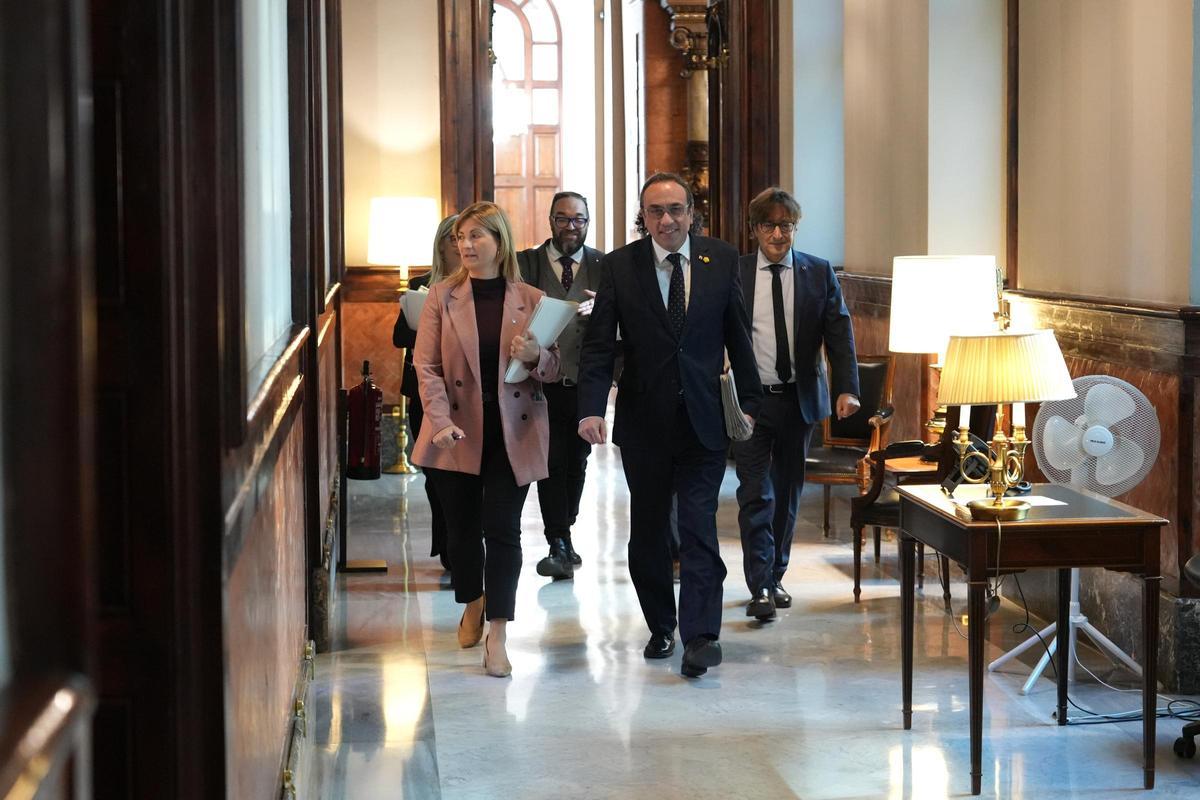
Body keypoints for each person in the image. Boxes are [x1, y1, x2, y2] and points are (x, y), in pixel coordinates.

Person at [577, 172, 762, 679]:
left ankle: (701, 635)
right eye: (656, 211)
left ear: (691, 212)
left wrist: (748, 402)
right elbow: (598, 347)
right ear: (644, 217)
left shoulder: (720, 259)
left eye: (675, 209)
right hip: (643, 422)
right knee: (652, 531)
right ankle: (661, 623)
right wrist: (591, 408)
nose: (667, 220)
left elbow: (738, 335)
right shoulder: (619, 266)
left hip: (704, 421)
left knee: (700, 527)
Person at [411, 201, 562, 678]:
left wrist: (538, 355)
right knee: (461, 534)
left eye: (477, 236)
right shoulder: (441, 296)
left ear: (500, 241)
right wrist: (438, 421)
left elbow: (554, 370)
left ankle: (498, 632)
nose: (466, 245)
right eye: (461, 237)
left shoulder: (532, 297)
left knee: (503, 531)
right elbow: (427, 367)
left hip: (512, 433)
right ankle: (473, 600)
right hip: (454, 432)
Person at [733, 187, 860, 622]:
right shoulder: (736, 273)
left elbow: (839, 334)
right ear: (754, 230)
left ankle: (775, 575)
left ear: (795, 228)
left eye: (785, 225)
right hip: (750, 403)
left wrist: (847, 389)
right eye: (768, 225)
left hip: (798, 400)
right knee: (755, 493)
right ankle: (759, 586)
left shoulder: (818, 273)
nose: (777, 233)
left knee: (787, 494)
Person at [516, 191, 604, 580]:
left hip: (586, 382)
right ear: (550, 220)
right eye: (563, 219)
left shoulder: (605, 266)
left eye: (579, 220)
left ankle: (566, 525)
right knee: (551, 462)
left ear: (588, 222)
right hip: (541, 382)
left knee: (578, 461)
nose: (571, 227)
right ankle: (558, 540)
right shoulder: (526, 264)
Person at [394, 213, 458, 570]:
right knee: (434, 471)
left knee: (463, 471)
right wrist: (429, 330)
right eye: (451, 238)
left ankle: (460, 541)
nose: (458, 244)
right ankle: (445, 539)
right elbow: (398, 337)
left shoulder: (478, 286)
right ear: (441, 244)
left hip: (463, 391)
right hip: (424, 390)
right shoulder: (421, 284)